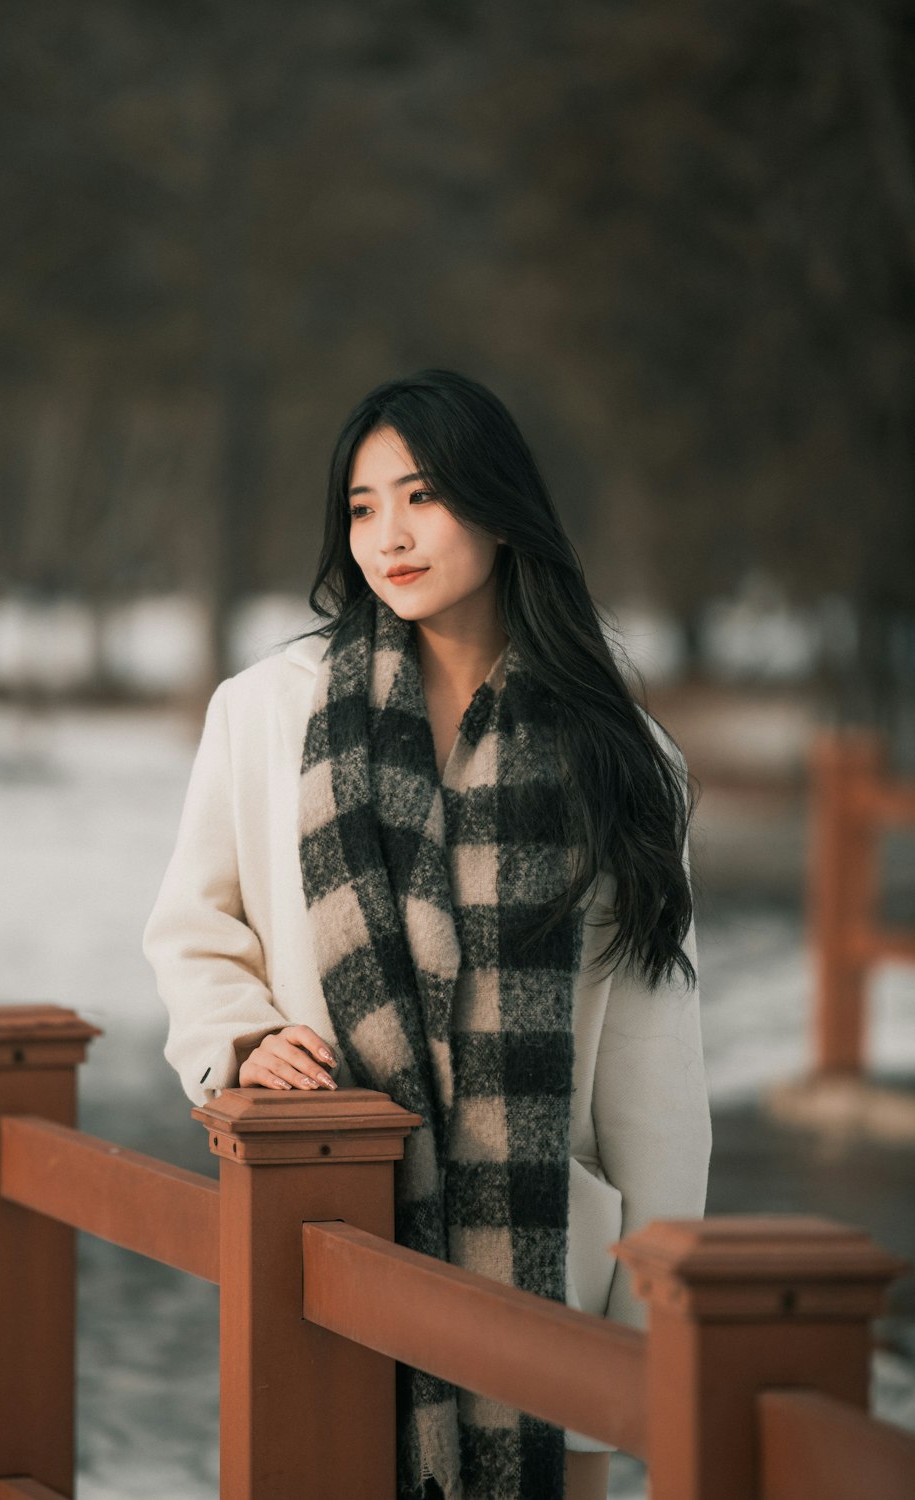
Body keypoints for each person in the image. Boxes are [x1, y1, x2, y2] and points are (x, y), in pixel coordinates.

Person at [142, 368, 712, 1500]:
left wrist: (650, 1325)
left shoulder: (620, 755)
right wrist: (246, 1045)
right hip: (334, 1239)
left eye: (422, 498)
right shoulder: (267, 714)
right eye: (362, 507)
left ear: (499, 510)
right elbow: (195, 930)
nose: (388, 536)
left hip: (546, 1272)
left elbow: (653, 1064)